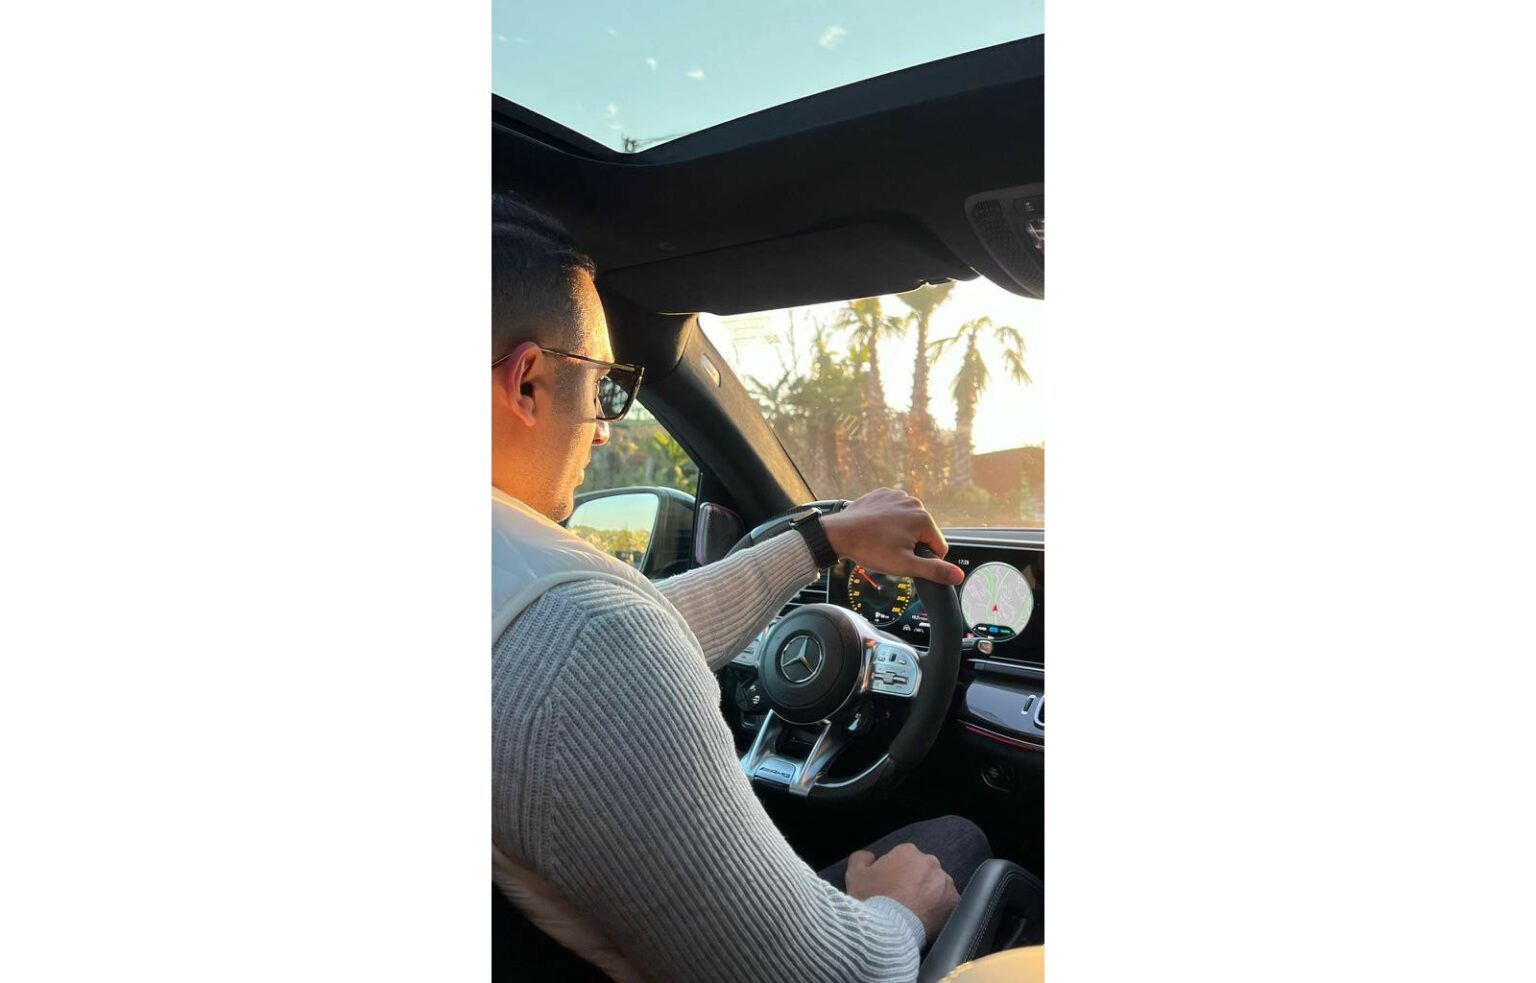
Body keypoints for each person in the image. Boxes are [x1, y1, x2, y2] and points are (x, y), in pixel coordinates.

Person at [491, 193, 993, 982]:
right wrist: (895, 908)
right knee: (954, 846)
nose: (606, 424)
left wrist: (821, 539)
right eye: (603, 386)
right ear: (527, 383)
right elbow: (841, 977)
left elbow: (628, 634)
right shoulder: (584, 643)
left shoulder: (531, 606)